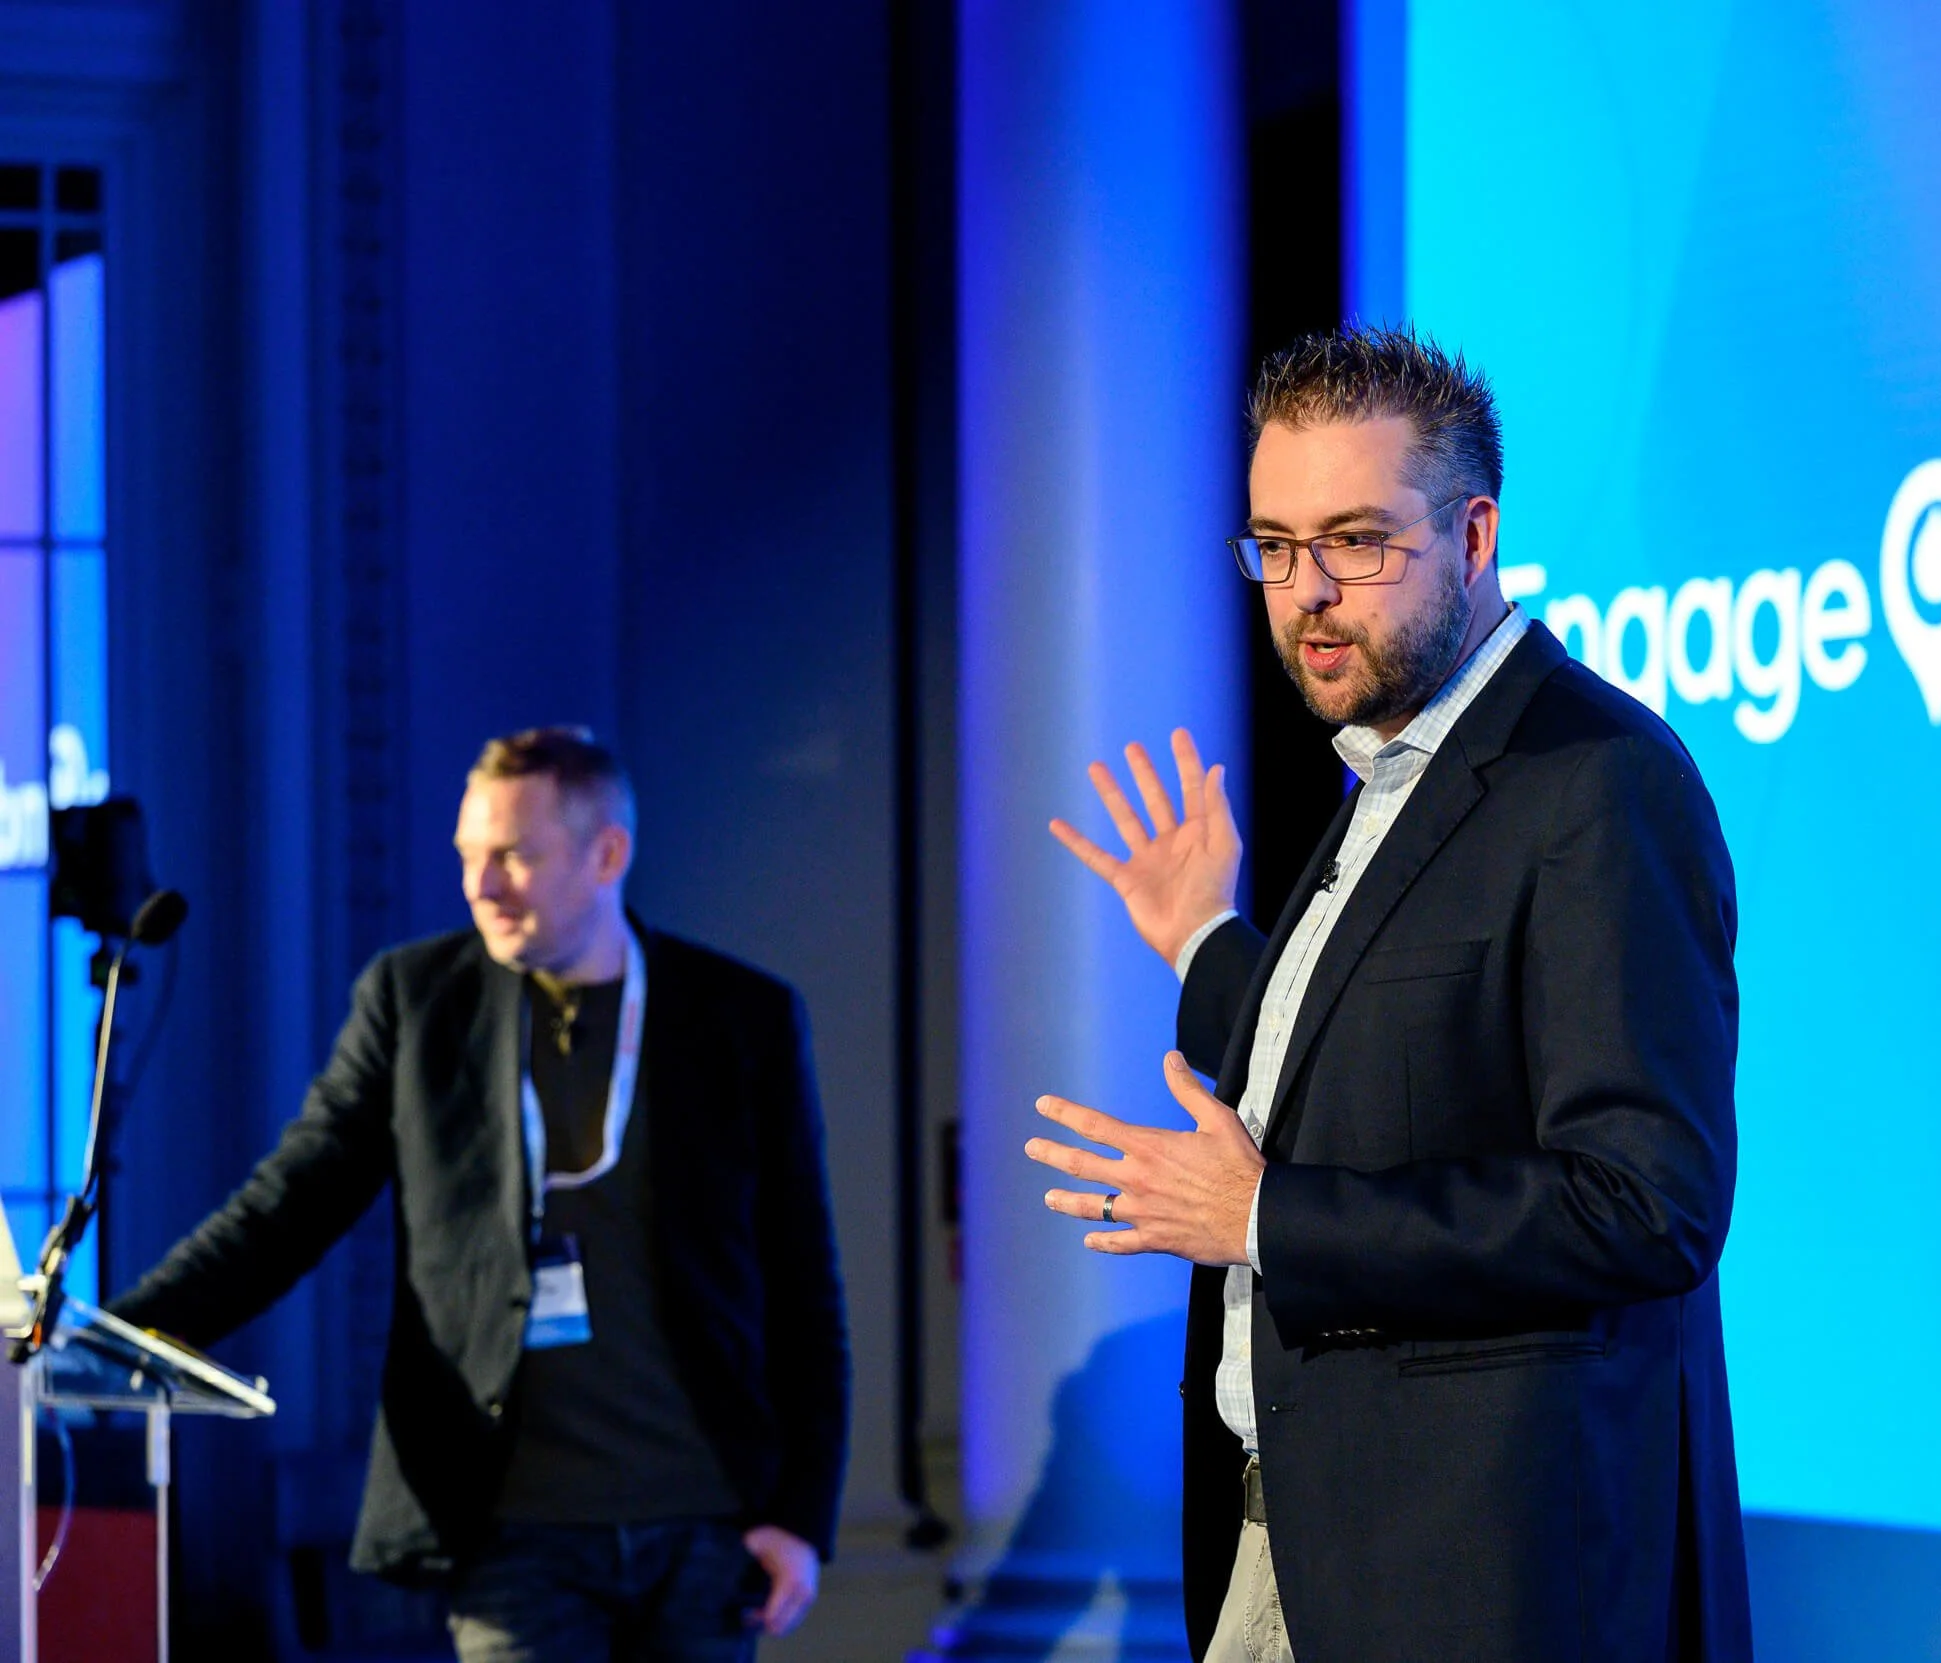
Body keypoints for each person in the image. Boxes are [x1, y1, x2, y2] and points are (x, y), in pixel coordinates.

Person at [1028, 326, 1749, 1660]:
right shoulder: (1389, 774)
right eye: (1274, 544)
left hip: (1470, 1580)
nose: (1307, 591)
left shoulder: (1596, 782)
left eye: (1358, 541)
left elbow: (1646, 1199)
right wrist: (1202, 943)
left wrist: (1267, 1216)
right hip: (1297, 1538)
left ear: (1476, 536)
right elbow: (1368, 1064)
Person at [110, 728, 848, 1662]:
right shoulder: (418, 1000)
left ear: (607, 854)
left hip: (705, 1525)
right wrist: (120, 1338)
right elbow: (287, 1207)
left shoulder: (739, 1015)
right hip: (509, 1528)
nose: (480, 886)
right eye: (468, 855)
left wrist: (804, 1517)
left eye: (514, 856)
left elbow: (805, 1287)